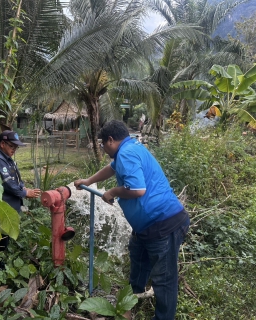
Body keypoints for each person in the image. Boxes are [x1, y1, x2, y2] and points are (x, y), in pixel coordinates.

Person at [74, 120, 189, 320]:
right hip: (147, 227)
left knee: (164, 279)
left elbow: (137, 190)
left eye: (103, 144)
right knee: (138, 260)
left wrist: (111, 192)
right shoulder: (130, 148)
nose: (103, 148)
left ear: (110, 140)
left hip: (163, 225)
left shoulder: (126, 153)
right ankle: (129, 305)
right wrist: (88, 181)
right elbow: (111, 168)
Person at [0, 130, 41, 267]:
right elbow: (8, 184)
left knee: (3, 238)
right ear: (2, 144)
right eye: (12, 146)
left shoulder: (6, 158)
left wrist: (23, 187)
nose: (14, 150)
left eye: (16, 147)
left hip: (8, 207)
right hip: (1, 207)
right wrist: (25, 193)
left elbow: (16, 178)